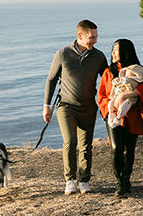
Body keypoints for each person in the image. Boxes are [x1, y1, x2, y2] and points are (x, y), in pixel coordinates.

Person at [43, 19, 108, 195]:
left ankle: (84, 180)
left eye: (96, 37)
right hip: (66, 106)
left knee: (86, 146)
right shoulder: (63, 54)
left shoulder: (99, 57)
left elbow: (108, 79)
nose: (94, 41)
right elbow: (51, 79)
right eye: (91, 37)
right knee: (70, 142)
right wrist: (46, 106)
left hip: (88, 107)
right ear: (80, 36)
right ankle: (70, 180)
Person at [98, 39, 143, 196]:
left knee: (129, 150)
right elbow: (101, 95)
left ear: (126, 52)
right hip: (113, 115)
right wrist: (111, 104)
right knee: (116, 147)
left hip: (132, 114)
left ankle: (127, 180)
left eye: (116, 50)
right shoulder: (108, 72)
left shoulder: (137, 72)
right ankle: (119, 181)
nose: (113, 53)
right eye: (112, 50)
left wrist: (125, 94)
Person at [107, 64, 143, 128]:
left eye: (129, 74)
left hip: (128, 102)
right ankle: (111, 115)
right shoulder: (109, 71)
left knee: (123, 107)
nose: (126, 75)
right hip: (116, 99)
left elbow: (140, 90)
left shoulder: (134, 80)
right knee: (110, 104)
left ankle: (118, 117)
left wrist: (122, 95)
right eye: (126, 73)